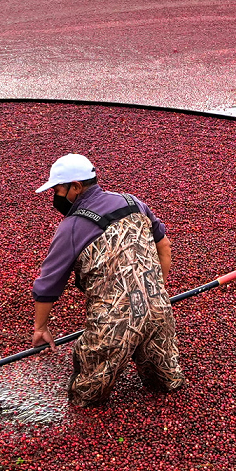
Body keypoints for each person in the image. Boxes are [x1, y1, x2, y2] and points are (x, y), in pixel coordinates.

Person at [31, 153, 184, 407]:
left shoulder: (72, 226)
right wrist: (156, 292)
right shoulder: (132, 202)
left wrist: (41, 328)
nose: (55, 196)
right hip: (159, 311)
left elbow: (48, 285)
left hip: (113, 325)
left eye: (57, 190)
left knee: (85, 398)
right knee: (167, 386)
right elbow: (164, 246)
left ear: (76, 187)